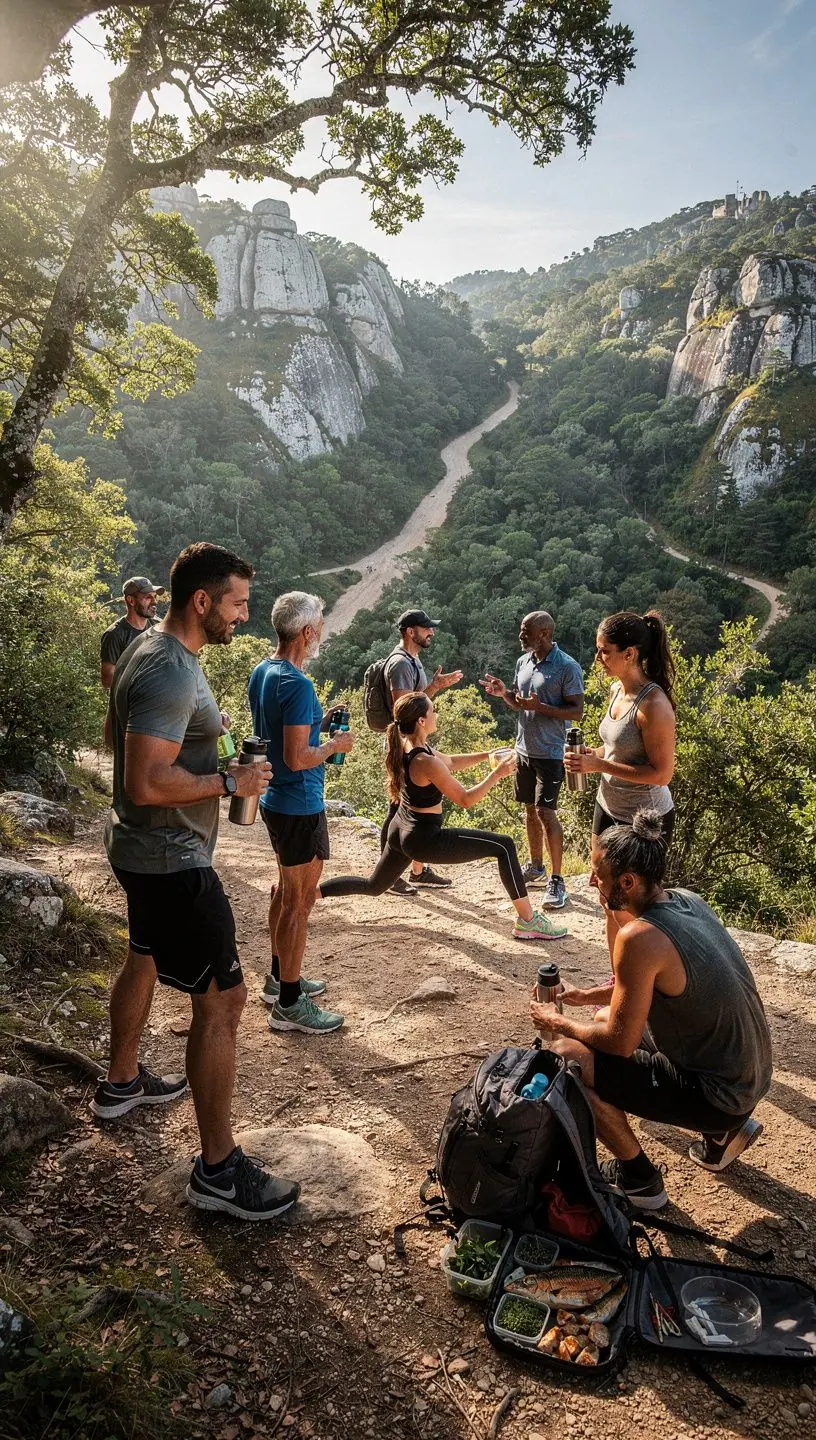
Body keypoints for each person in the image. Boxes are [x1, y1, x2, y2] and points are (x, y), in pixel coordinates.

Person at [100, 542, 300, 1222]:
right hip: (171, 859)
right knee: (224, 1005)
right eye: (239, 604)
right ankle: (218, 1170)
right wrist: (227, 780)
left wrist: (209, 759)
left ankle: (121, 1080)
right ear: (203, 601)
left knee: (144, 955)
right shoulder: (169, 669)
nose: (244, 616)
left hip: (140, 848)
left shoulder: (149, 651)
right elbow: (144, 778)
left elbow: (129, 742)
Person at [530, 809, 772, 1210]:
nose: (592, 881)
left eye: (598, 874)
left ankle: (640, 1181)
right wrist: (584, 996)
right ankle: (722, 1137)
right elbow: (650, 992)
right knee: (604, 1017)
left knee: (566, 1058)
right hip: (749, 1078)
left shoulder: (639, 938)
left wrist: (557, 1022)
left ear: (627, 881)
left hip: (720, 1096)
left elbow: (620, 1045)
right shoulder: (687, 902)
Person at [320, 692, 568, 942]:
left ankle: (311, 894)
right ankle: (528, 921)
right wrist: (497, 774)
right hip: (425, 839)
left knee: (373, 886)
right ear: (420, 720)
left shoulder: (409, 745)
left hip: (400, 830)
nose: (435, 713)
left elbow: (449, 762)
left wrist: (486, 756)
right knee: (504, 845)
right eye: (433, 710)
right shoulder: (425, 760)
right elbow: (465, 799)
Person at [249, 592, 353, 1035]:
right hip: (300, 804)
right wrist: (333, 746)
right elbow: (296, 756)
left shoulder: (264, 671)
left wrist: (317, 726)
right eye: (322, 624)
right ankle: (290, 1004)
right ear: (307, 632)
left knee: (283, 890)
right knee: (300, 902)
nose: (323, 631)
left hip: (276, 802)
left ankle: (278, 979)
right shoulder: (299, 684)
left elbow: (281, 734)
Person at [563, 609, 676, 961]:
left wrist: (599, 764)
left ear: (629, 654)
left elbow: (661, 773)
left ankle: (638, 982)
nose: (598, 658)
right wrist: (589, 757)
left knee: (630, 905)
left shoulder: (654, 705)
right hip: (608, 806)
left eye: (604, 651)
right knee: (604, 894)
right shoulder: (616, 689)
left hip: (644, 818)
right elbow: (615, 749)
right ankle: (617, 978)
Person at [480, 611, 584, 909]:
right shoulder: (523, 662)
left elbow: (576, 711)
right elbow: (520, 702)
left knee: (545, 813)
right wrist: (504, 694)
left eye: (525, 631)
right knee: (529, 811)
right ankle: (536, 866)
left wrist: (543, 706)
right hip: (524, 750)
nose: (520, 636)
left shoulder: (566, 667)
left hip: (551, 753)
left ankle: (557, 879)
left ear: (543, 634)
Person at [377, 608, 464, 895]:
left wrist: (434, 686)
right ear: (409, 631)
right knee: (399, 809)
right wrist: (432, 688)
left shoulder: (413, 661)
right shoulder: (400, 664)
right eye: (426, 628)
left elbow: (416, 704)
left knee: (408, 809)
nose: (431, 632)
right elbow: (404, 711)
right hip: (405, 745)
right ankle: (389, 875)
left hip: (414, 742)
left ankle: (417, 870)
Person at [100, 576, 163, 690]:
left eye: (154, 597)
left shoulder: (159, 626)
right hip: (130, 705)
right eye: (148, 597)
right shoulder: (114, 634)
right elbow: (107, 680)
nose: (154, 602)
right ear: (131, 601)